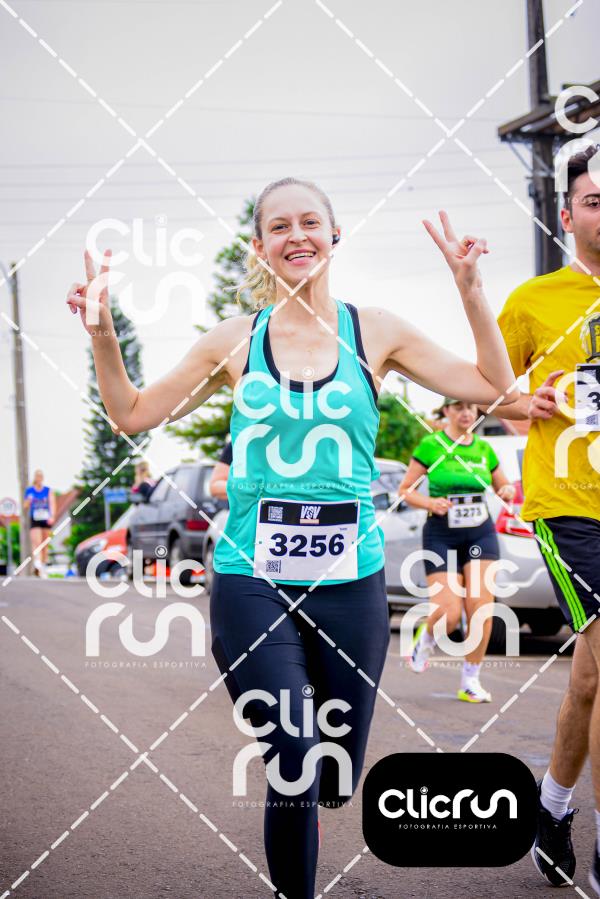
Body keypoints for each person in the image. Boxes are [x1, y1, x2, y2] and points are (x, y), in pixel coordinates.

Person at [66, 176, 516, 899]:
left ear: (335, 235)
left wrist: (470, 289)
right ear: (259, 246)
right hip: (253, 579)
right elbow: (131, 413)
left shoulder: (376, 332)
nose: (296, 235)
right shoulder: (235, 341)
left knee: (333, 774)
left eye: (310, 222)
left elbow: (492, 384)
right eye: (279, 226)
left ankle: (315, 797)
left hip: (350, 582)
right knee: (294, 756)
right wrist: (100, 332)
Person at [492, 145, 600, 893]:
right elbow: (485, 386)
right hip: (570, 507)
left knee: (589, 679)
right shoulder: (533, 300)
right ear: (566, 215)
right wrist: (519, 402)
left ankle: (552, 809)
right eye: (594, 200)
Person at [399, 398, 516, 702]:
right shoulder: (431, 445)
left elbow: (504, 486)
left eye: (471, 408)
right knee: (449, 614)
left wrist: (506, 490)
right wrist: (429, 502)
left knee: (481, 610)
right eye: (459, 407)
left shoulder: (484, 448)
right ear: (447, 411)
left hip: (480, 533)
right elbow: (405, 490)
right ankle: (426, 638)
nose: (466, 412)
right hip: (441, 533)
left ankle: (470, 680)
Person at [24, 469, 56, 577]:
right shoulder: (30, 491)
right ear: (35, 478)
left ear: (42, 478)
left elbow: (52, 503)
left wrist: (52, 516)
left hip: (45, 519)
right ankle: (37, 562)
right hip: (35, 518)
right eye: (37, 476)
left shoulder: (48, 490)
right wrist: (29, 500)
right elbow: (25, 506)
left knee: (45, 544)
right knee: (36, 542)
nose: (39, 478)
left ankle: (43, 566)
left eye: (41, 476)